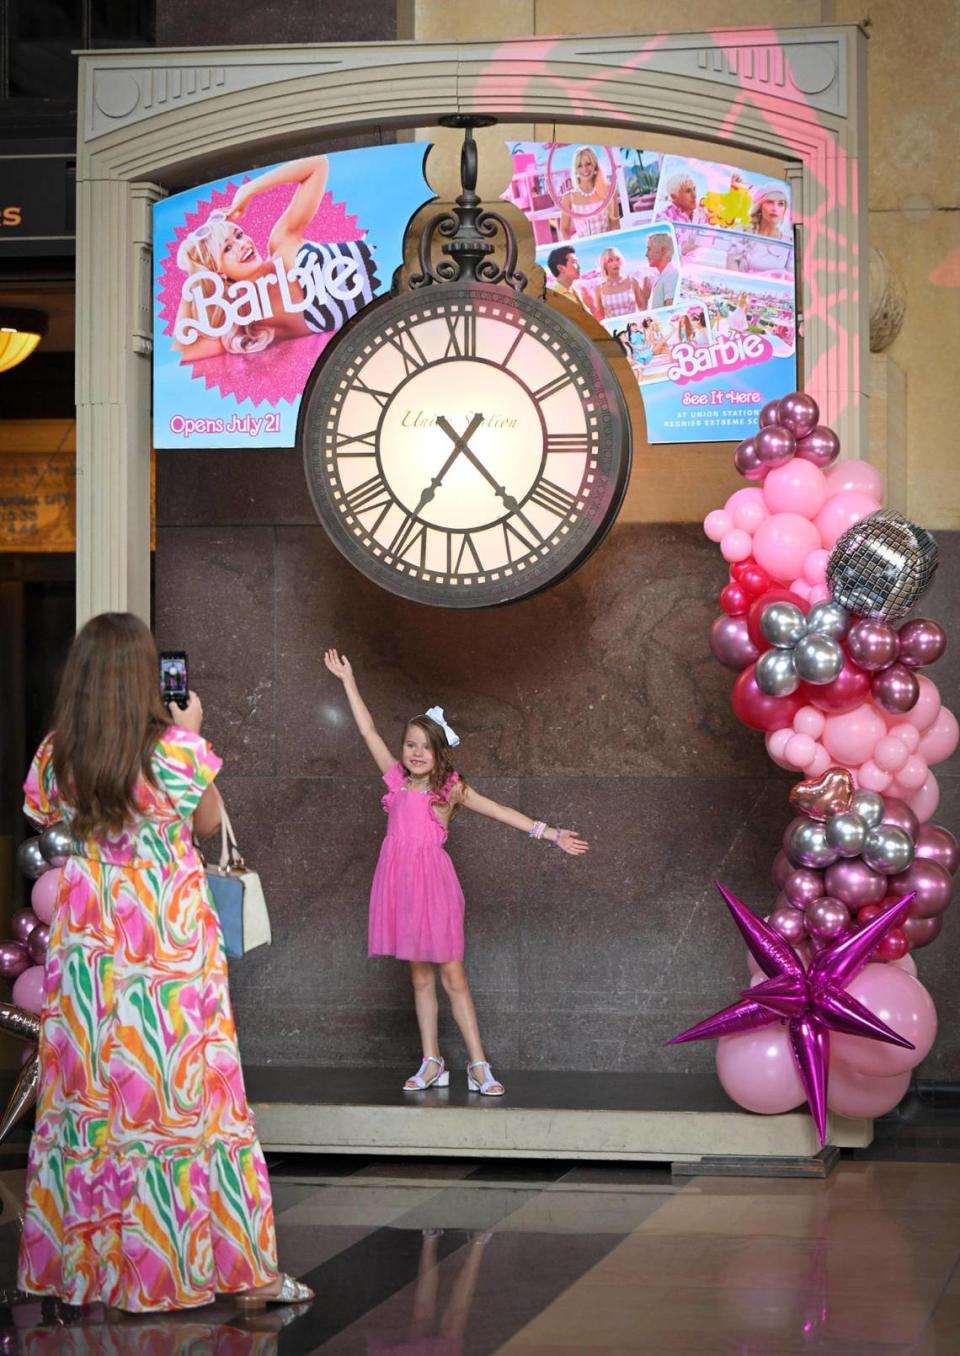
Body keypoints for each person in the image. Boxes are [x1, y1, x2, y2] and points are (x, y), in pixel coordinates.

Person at [18, 612, 312, 1314]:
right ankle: (245, 1277)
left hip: (89, 943)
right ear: (146, 678)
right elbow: (207, 825)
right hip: (167, 944)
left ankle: (97, 1272)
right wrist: (196, 731)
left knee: (89, 1103)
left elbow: (40, 814)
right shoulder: (177, 751)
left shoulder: (60, 754)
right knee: (191, 1106)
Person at [323, 650, 588, 1098]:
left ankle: (479, 1064)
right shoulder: (395, 782)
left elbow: (501, 811)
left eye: (425, 746)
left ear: (438, 751)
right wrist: (348, 681)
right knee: (420, 977)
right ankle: (431, 1061)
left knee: (453, 976)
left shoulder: (450, 789)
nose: (416, 753)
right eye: (410, 745)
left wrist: (551, 833)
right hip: (399, 887)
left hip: (436, 889)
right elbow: (367, 729)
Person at [174, 154, 377, 360]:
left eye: (239, 234)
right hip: (389, 315)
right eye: (227, 248)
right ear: (217, 272)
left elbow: (317, 165)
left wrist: (249, 190)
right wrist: (195, 279)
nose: (242, 245)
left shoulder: (281, 242)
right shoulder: (254, 324)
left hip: (398, 255)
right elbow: (185, 349)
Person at [558, 146, 619, 239]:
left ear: (595, 165)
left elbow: (615, 223)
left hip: (606, 244)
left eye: (588, 164)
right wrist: (574, 249)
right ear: (576, 170)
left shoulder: (609, 190)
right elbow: (564, 230)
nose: (584, 169)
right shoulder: (569, 197)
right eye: (579, 165)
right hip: (582, 248)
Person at [591, 247, 646, 320]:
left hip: (633, 327)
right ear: (604, 265)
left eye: (617, 259)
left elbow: (642, 308)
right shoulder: (599, 289)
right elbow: (601, 318)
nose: (615, 263)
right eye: (610, 261)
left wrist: (646, 296)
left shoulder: (632, 282)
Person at [546, 245, 588, 312]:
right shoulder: (555, 298)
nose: (579, 266)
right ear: (560, 268)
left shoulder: (576, 291)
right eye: (574, 262)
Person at [642, 233, 678, 310]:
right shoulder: (665, 275)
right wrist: (645, 299)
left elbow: (670, 311)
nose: (646, 254)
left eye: (649, 249)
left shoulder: (670, 275)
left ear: (663, 250)